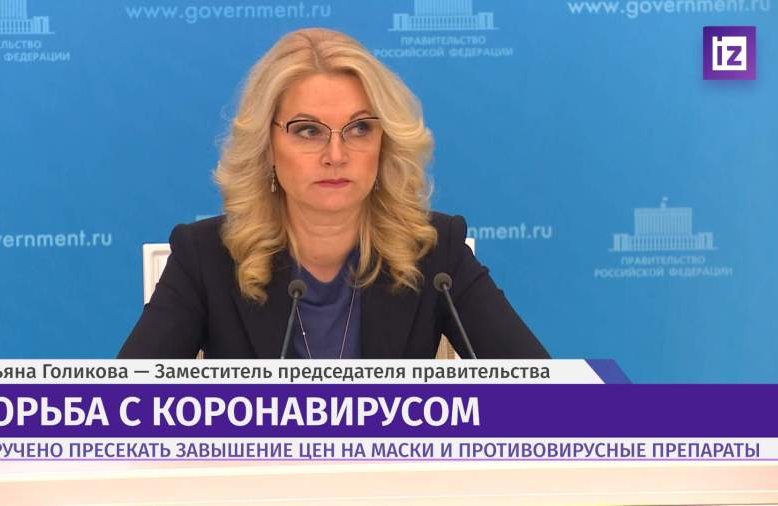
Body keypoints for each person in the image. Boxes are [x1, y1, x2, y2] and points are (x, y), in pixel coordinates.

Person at [118, 28, 549, 359]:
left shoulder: (435, 251)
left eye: (359, 128)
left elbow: (547, 396)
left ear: (385, 143)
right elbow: (120, 409)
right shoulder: (205, 257)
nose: (336, 155)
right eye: (308, 131)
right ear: (267, 146)